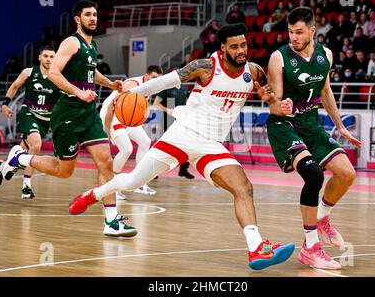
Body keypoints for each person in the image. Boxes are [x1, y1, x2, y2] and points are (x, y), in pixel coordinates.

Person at [68, 23, 296, 271]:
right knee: (132, 182)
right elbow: (164, 82)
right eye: (235, 46)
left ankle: (256, 249)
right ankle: (93, 195)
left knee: (244, 187)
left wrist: (277, 104)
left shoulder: (254, 72)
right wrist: (133, 95)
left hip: (211, 145)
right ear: (222, 48)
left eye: (244, 45)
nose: (241, 50)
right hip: (182, 135)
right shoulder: (206, 67)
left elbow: (272, 101)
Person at [0, 0, 137, 238]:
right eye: (88, 15)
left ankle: (111, 221)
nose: (93, 18)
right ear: (77, 19)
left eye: (95, 14)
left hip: (88, 113)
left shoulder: (91, 47)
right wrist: (78, 92)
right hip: (68, 112)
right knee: (64, 171)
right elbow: (53, 73)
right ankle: (21, 157)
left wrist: (109, 83)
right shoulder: (72, 42)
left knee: (105, 162)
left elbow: (92, 73)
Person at [259, 7, 362, 270]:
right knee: (314, 175)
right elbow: (275, 100)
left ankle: (323, 217)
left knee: (347, 173)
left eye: (299, 32)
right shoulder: (278, 58)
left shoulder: (325, 54)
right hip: (285, 125)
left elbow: (325, 91)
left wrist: (340, 126)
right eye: (290, 32)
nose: (293, 37)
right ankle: (310, 247)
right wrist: (275, 103)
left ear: (312, 31)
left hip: (311, 123)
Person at [0, 45, 60, 199]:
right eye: (46, 56)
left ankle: (3, 167)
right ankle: (26, 187)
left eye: (51, 56)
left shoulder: (58, 76)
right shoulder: (29, 72)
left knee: (25, 150)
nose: (49, 59)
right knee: (36, 145)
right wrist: (5, 104)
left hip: (46, 119)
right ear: (39, 57)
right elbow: (15, 86)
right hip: (29, 113)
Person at [100, 65, 163, 200]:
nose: (155, 81)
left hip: (126, 117)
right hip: (113, 115)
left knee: (145, 141)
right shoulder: (133, 84)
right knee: (126, 149)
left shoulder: (150, 87)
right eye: (153, 78)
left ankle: (138, 182)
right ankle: (113, 184)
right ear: (146, 76)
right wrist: (107, 128)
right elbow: (112, 105)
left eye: (157, 79)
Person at [153, 81, 195, 180]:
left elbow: (186, 103)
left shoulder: (184, 88)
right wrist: (168, 110)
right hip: (168, 119)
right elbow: (156, 103)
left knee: (185, 145)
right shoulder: (166, 87)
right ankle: (153, 170)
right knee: (163, 146)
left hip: (181, 119)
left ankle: (183, 169)